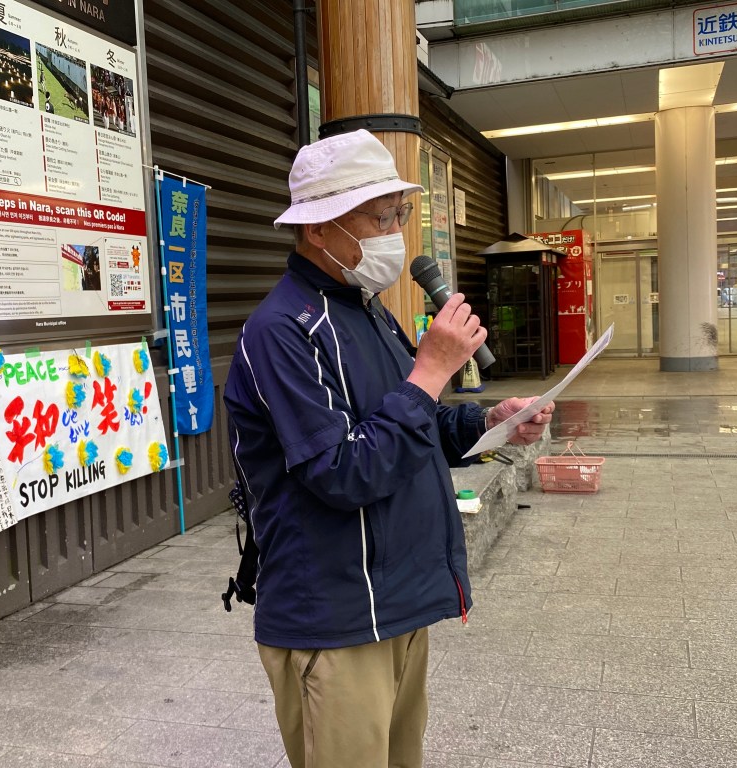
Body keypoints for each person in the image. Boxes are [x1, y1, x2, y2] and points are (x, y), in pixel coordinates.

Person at [223, 129, 554, 768]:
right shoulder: (280, 331)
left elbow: (411, 424)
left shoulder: (367, 309)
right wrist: (429, 369)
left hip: (396, 600)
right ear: (318, 228)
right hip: (335, 615)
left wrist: (489, 422)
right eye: (380, 218)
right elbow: (344, 471)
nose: (396, 232)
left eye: (400, 213)